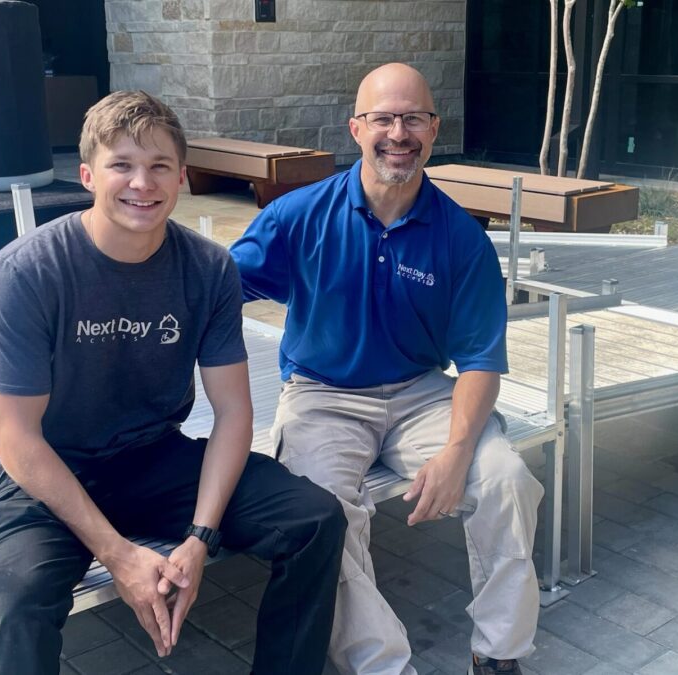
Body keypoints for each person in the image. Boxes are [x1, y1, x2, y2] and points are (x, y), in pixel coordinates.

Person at [0, 90, 346, 675]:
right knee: (15, 597)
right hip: (50, 471)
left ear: (182, 177)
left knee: (315, 519)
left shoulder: (208, 268)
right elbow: (16, 439)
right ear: (88, 175)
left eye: (160, 166)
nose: (143, 183)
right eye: (122, 165)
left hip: (152, 457)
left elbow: (234, 415)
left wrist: (199, 537)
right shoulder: (27, 271)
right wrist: (118, 556)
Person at [230, 63, 544, 675]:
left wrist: (456, 452)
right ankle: (384, 667)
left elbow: (481, 361)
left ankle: (499, 652)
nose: (398, 133)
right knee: (321, 518)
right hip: (322, 395)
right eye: (383, 118)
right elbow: (217, 288)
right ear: (356, 128)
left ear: (433, 129)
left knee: (504, 479)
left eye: (413, 119)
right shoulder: (299, 215)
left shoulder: (460, 238)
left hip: (420, 394)